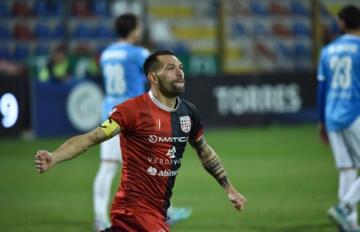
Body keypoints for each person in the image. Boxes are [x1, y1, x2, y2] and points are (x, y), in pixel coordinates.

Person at [34, 50, 246, 232]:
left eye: (180, 66)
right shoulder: (131, 111)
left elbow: (203, 149)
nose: (179, 72)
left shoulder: (188, 112)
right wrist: (55, 157)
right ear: (153, 78)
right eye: (170, 68)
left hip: (156, 212)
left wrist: (228, 188)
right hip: (132, 210)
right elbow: (91, 138)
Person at [93, 14, 190, 231]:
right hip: (136, 117)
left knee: (107, 167)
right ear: (133, 30)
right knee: (154, 165)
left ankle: (100, 219)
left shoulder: (107, 53)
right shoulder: (139, 53)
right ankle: (164, 213)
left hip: (111, 114)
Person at [317, 5, 360, 232]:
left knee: (347, 169)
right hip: (355, 113)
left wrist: (321, 121)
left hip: (332, 116)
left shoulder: (328, 51)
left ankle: (349, 224)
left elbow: (321, 89)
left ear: (342, 23)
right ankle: (344, 207)